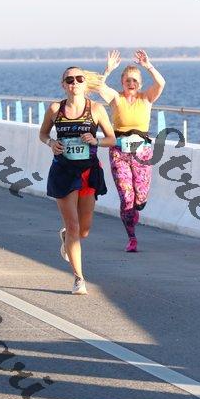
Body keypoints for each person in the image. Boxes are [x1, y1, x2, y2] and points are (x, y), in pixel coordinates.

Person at [39, 66, 116, 295]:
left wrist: (96, 140)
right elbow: (43, 134)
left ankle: (67, 237)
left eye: (79, 79)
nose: (74, 83)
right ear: (63, 84)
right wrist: (51, 143)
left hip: (88, 171)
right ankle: (78, 278)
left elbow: (112, 139)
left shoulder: (96, 109)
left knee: (83, 231)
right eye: (69, 79)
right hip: (63, 170)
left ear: (84, 83)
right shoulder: (55, 109)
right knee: (73, 225)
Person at [97, 49, 166, 252]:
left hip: (142, 154)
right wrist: (108, 69)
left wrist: (148, 65)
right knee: (127, 197)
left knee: (140, 197)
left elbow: (161, 83)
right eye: (128, 80)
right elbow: (99, 86)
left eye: (135, 80)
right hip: (119, 152)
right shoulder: (115, 98)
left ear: (140, 84)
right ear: (122, 82)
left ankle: (139, 205)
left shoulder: (146, 98)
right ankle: (132, 237)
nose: (131, 83)